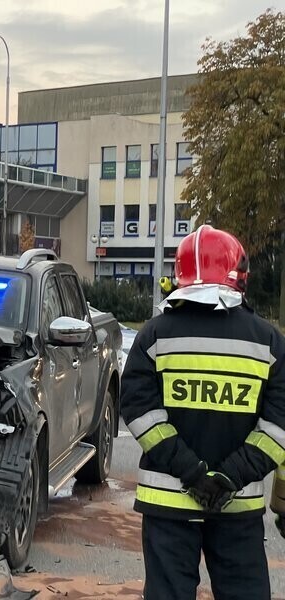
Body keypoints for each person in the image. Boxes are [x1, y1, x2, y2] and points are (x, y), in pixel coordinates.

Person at [120, 224, 285, 600]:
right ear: (239, 275)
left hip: (168, 505)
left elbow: (141, 413)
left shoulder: (154, 336)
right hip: (237, 505)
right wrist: (229, 477)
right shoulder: (270, 342)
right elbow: (278, 427)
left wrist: (193, 473)